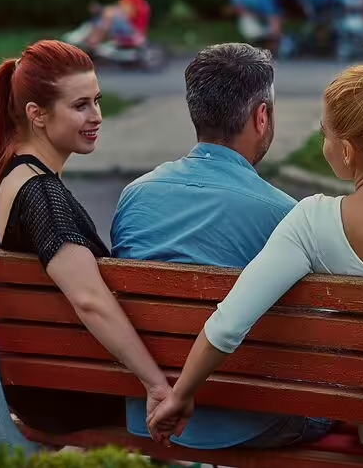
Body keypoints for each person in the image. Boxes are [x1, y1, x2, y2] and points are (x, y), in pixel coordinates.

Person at [146, 40, 363, 463]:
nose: (324, 145)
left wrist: (180, 395)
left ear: (348, 151)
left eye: (325, 135)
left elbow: (227, 325)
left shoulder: (315, 221)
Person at [110, 43, 333, 450]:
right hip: (251, 420)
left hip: (150, 414)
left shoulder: (135, 197)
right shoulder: (286, 215)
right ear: (261, 116)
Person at [0, 40, 189, 435]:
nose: (97, 116)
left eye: (97, 100)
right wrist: (156, 385)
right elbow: (89, 301)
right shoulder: (42, 195)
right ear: (36, 114)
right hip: (69, 394)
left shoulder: (7, 174)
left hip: (41, 380)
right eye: (80, 105)